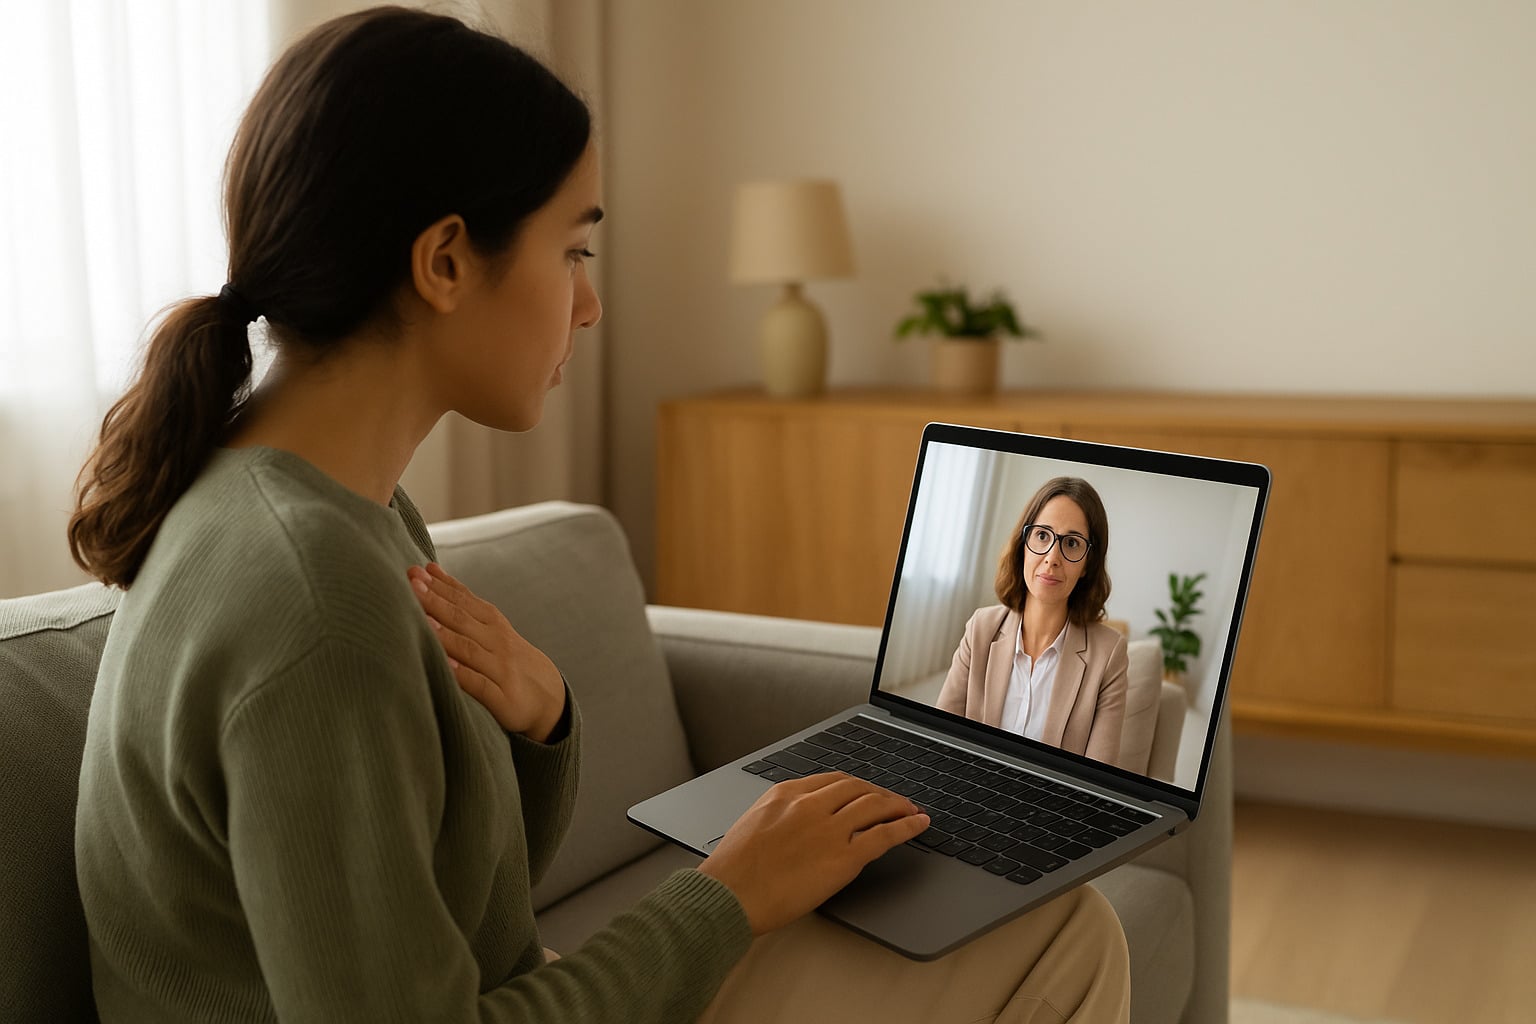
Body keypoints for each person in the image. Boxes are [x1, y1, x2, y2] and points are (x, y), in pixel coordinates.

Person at [68, 8, 1129, 1022]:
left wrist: (541, 724)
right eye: (573, 250)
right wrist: (727, 893)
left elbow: (465, 921)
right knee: (1063, 939)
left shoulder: (334, 512)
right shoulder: (314, 600)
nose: (591, 302)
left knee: (1038, 918)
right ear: (443, 262)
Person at [936, 477, 1129, 768]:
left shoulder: (1109, 654)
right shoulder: (981, 628)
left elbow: (1098, 782)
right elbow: (938, 739)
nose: (1052, 558)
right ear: (1023, 543)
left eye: (1072, 543)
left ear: (1088, 563)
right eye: (1042, 536)